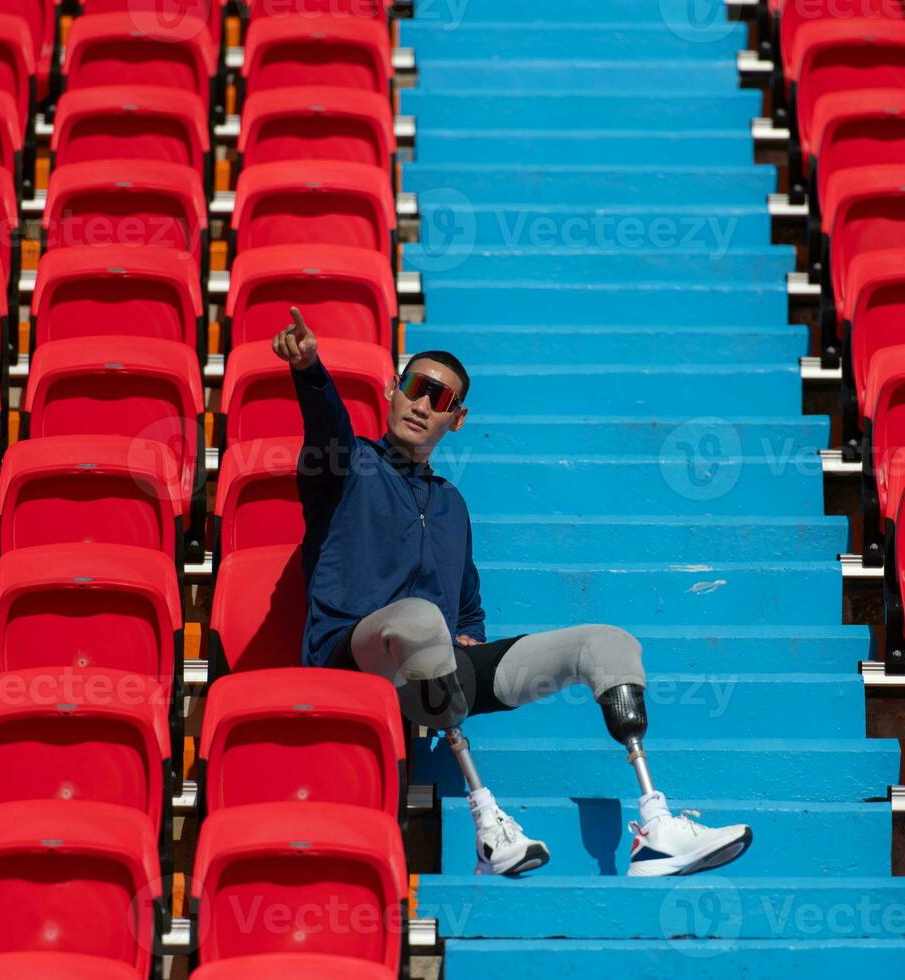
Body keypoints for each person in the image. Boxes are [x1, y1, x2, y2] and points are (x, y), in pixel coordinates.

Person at [273, 307, 752, 877]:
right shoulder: (346, 466)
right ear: (391, 391)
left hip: (433, 671)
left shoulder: (451, 504)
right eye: (415, 388)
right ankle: (488, 825)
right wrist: (309, 369)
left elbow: (468, 605)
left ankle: (657, 824)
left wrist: (470, 636)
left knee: (606, 642)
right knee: (423, 620)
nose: (424, 404)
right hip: (353, 660)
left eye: (441, 399)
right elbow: (325, 424)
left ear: (458, 418)